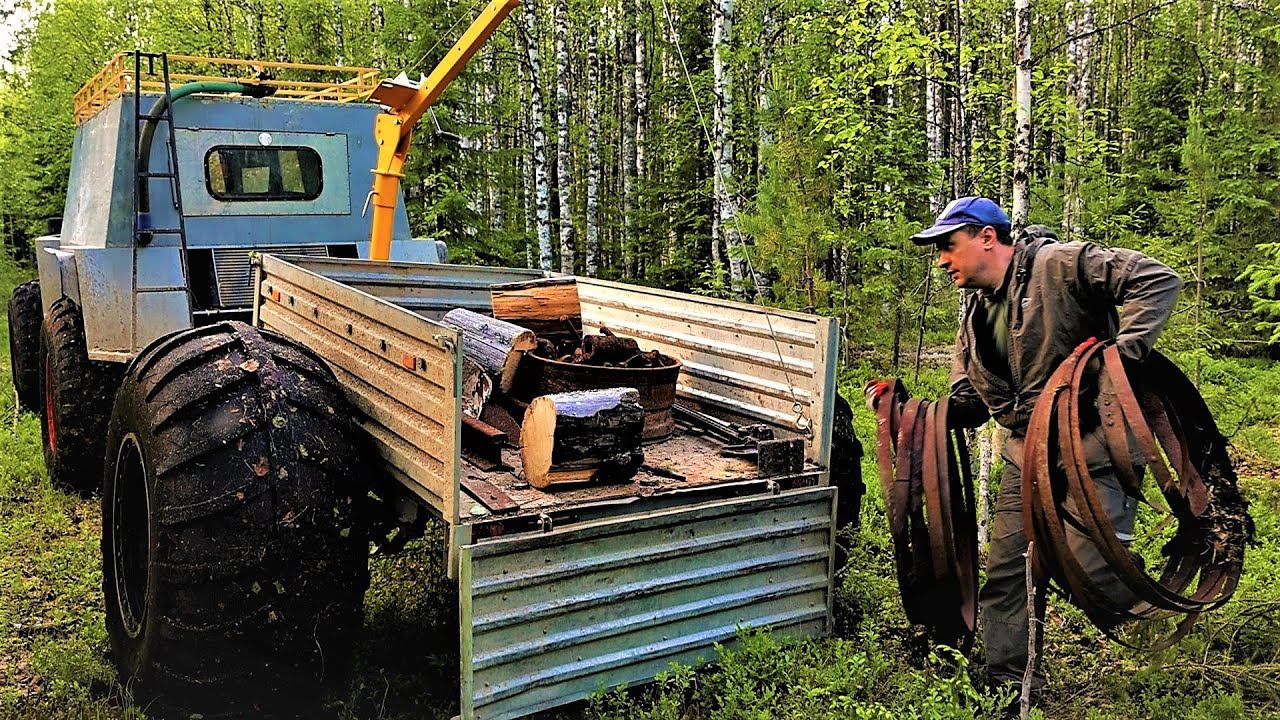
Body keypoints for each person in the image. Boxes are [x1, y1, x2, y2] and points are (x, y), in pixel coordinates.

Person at [909, 197, 1182, 694]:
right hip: (1023, 457)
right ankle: (1008, 687)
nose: (943, 261)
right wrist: (908, 412)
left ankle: (1154, 602)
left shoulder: (1059, 266)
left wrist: (1116, 364)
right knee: (1006, 577)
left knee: (1096, 577)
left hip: (1093, 449)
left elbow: (1157, 280)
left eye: (949, 247)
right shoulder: (972, 320)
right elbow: (968, 401)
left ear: (986, 238)